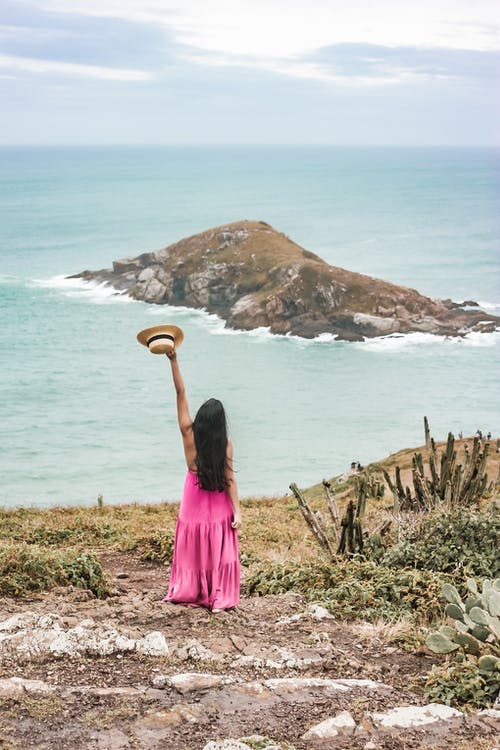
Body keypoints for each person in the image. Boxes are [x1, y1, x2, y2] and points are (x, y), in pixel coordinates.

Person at [163, 349, 241, 613]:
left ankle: (192, 589)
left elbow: (180, 393)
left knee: (194, 548)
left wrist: (174, 361)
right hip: (218, 502)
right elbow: (229, 479)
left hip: (193, 499)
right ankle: (217, 595)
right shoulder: (226, 445)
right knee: (218, 551)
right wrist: (238, 512)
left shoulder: (188, 433)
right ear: (220, 425)